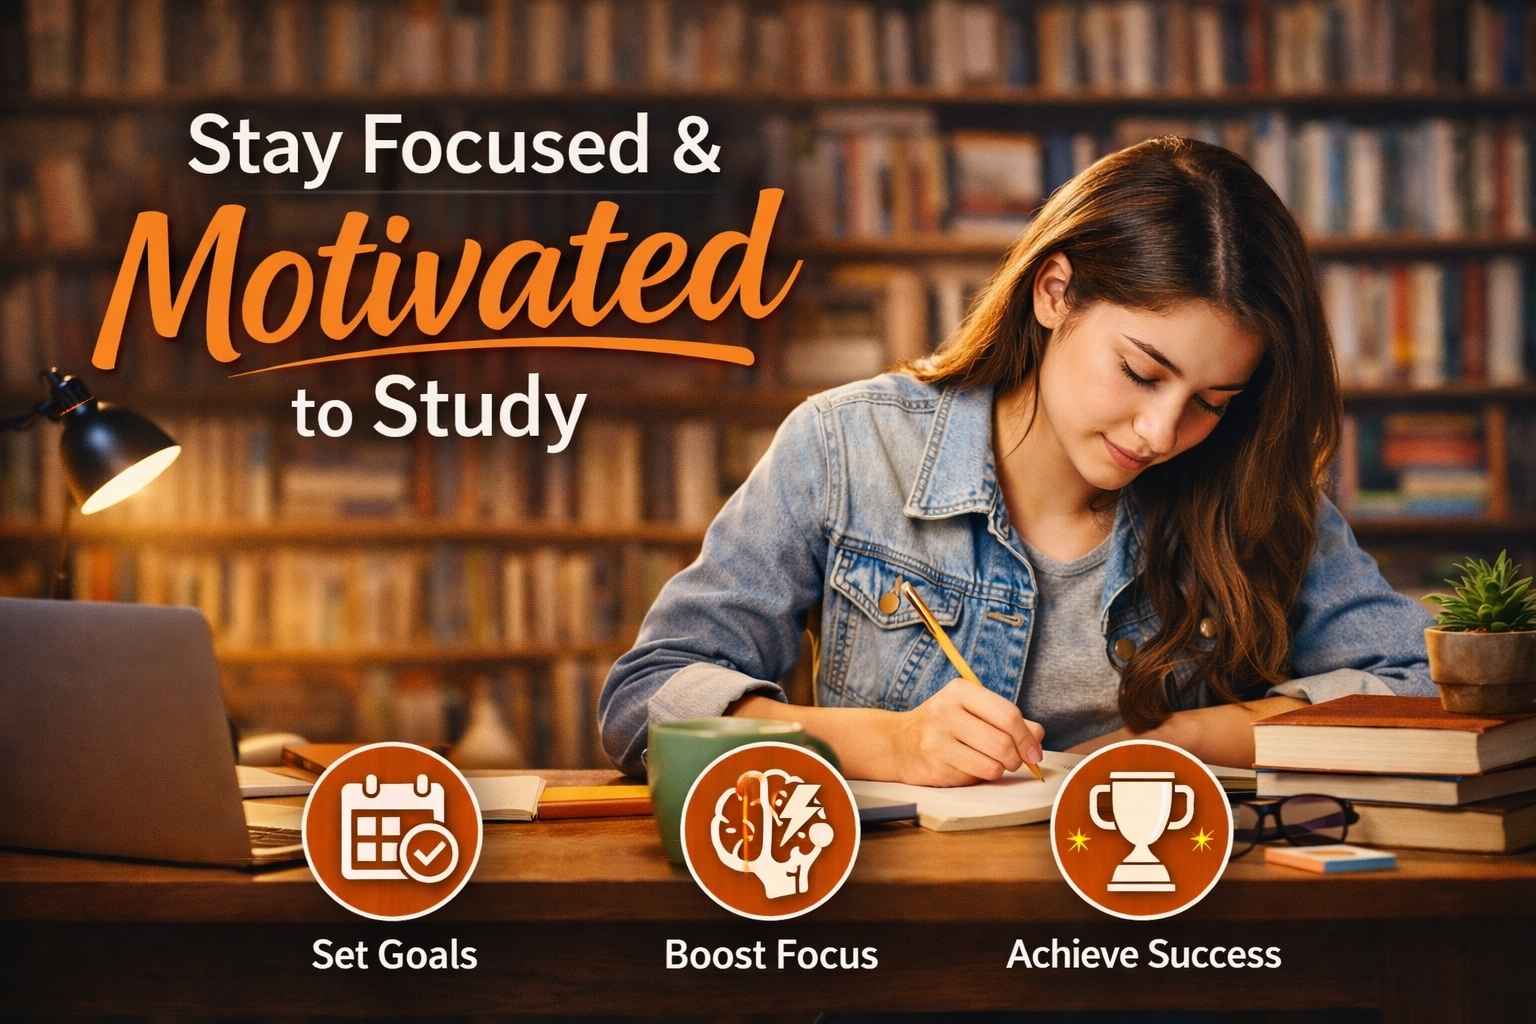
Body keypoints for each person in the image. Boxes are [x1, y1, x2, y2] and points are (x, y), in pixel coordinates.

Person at [598, 136, 1433, 784]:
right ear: (1054, 292)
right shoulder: (847, 447)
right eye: (1142, 372)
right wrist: (887, 742)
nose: (1159, 431)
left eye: (1211, 402)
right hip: (912, 945)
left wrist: (1197, 738)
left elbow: (1425, 686)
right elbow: (648, 700)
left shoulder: (1248, 481)